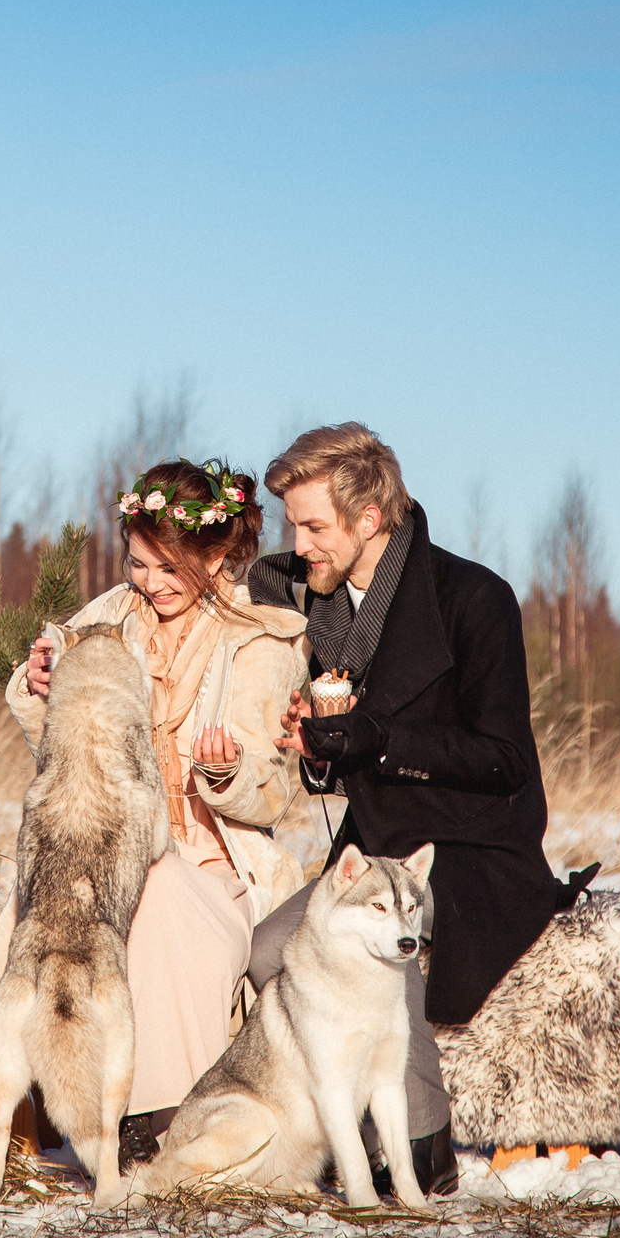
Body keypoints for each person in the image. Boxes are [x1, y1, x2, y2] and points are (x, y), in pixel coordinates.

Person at [245, 422, 552, 1196]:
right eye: (292, 526)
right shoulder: (316, 605)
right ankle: (327, 1134)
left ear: (370, 517)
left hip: (476, 846)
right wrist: (320, 749)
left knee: (389, 935)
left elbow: (505, 759)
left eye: (314, 526)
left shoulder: (474, 598)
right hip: (376, 840)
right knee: (268, 950)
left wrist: (379, 739)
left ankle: (422, 1145)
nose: (299, 544)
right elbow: (338, 759)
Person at [5, 458, 308, 1160]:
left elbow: (273, 791)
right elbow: (61, 748)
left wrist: (227, 773)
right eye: (139, 564)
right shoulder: (106, 620)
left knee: (161, 886)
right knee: (75, 900)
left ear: (218, 555)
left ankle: (160, 1123)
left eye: (171, 568)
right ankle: (81, 1108)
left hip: (213, 866)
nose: (151, 583)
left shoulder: (264, 639)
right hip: (103, 846)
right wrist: (43, 683)